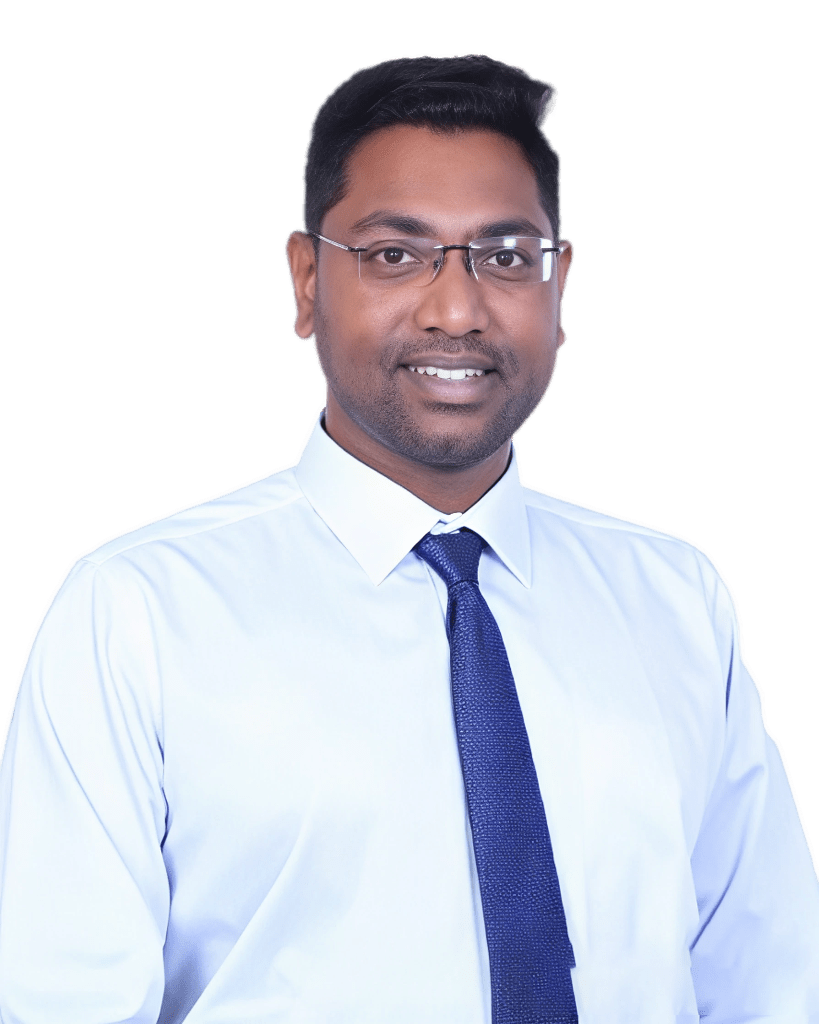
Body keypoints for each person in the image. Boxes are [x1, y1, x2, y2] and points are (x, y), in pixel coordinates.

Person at [0, 52, 817, 1024]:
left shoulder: (674, 597)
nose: (457, 310)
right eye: (394, 254)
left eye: (505, 257)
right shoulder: (136, 611)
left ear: (559, 285)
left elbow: (772, 983)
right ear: (307, 281)